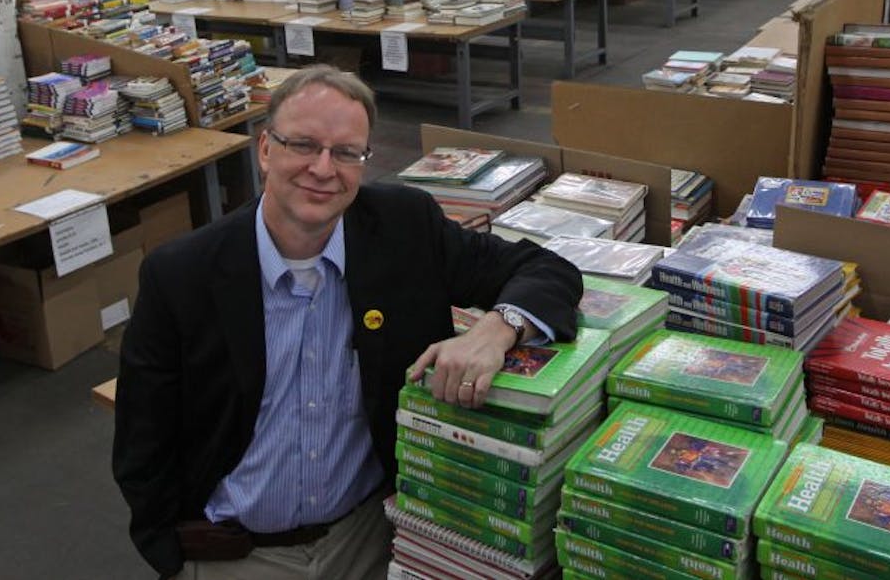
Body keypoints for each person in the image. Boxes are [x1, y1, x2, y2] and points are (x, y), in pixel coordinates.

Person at [113, 65, 582, 579]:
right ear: (265, 149)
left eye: (345, 153)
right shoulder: (182, 274)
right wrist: (173, 557)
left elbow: (547, 270)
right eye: (303, 145)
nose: (323, 168)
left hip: (372, 538)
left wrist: (496, 329)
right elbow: (143, 440)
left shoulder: (404, 228)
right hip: (242, 553)